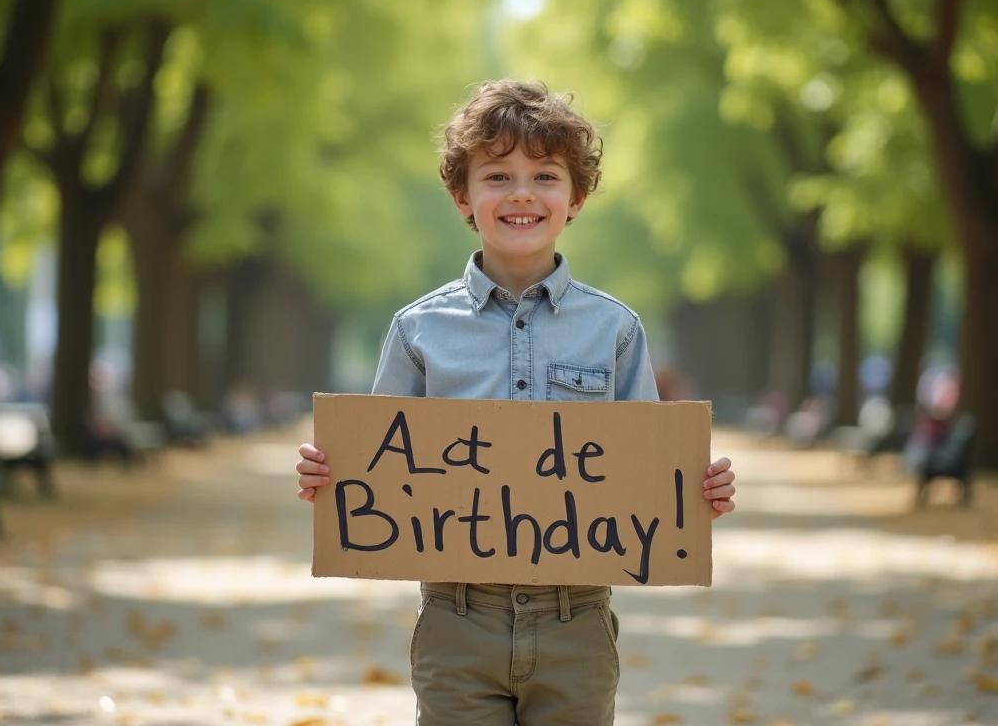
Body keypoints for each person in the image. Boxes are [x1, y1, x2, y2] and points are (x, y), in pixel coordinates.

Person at [294, 80, 737, 725]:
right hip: (456, 616)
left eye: (545, 176)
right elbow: (376, 471)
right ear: (462, 197)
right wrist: (327, 478)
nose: (522, 193)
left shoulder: (617, 332)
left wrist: (699, 493)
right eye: (497, 175)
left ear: (576, 198)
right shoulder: (418, 332)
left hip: (577, 619)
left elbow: (651, 475)